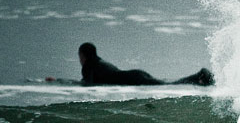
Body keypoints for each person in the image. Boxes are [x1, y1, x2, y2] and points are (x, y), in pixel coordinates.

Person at [75, 42, 214, 86]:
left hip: (133, 78)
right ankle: (198, 78)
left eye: (80, 57)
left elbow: (88, 84)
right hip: (135, 74)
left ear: (83, 55)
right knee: (165, 83)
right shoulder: (101, 63)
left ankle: (199, 76)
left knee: (166, 85)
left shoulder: (90, 65)